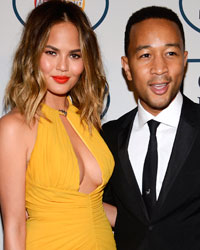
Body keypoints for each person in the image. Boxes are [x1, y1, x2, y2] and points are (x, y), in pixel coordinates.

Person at [0, 1, 116, 249]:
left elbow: (85, 206)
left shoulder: (85, 120)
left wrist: (158, 223)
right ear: (32, 53)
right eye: (51, 52)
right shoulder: (15, 128)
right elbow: (14, 226)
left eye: (74, 55)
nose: (63, 66)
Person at [102, 5, 200, 250]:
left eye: (170, 53)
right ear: (127, 66)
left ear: (185, 60)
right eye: (145, 55)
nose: (159, 69)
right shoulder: (109, 136)